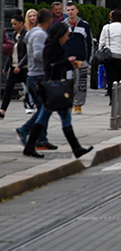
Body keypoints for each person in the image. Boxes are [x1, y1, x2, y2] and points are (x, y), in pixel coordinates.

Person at [22, 22, 93, 159]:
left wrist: (70, 65)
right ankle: (76, 148)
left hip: (55, 86)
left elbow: (58, 66)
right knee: (60, 117)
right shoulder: (50, 47)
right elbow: (50, 67)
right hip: (53, 87)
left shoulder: (57, 46)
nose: (67, 38)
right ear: (59, 34)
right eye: (66, 35)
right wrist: (67, 62)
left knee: (46, 117)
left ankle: (30, 146)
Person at [15, 8, 58, 151]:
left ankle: (41, 139)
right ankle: (24, 130)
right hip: (38, 75)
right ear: (49, 20)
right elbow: (39, 54)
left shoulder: (32, 33)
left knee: (43, 108)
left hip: (34, 75)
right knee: (45, 109)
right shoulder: (39, 34)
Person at [98, 9, 121, 105]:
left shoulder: (106, 28)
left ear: (112, 18)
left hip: (109, 57)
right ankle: (120, 97)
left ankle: (112, 99)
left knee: (110, 77)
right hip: (120, 56)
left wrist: (100, 54)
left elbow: (101, 42)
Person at [63, 2, 93, 114]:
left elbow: (89, 43)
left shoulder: (84, 25)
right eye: (68, 10)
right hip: (67, 61)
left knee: (81, 83)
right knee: (68, 83)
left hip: (81, 60)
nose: (70, 12)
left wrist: (88, 59)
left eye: (72, 9)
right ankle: (68, 104)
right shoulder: (63, 25)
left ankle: (78, 105)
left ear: (77, 11)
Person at [1, 14, 28, 118]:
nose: (13, 26)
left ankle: (36, 107)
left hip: (24, 68)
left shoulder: (26, 35)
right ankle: (2, 110)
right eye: (12, 24)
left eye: (15, 24)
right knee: (8, 89)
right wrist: (6, 67)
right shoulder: (14, 34)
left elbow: (28, 53)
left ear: (21, 23)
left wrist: (20, 66)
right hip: (13, 66)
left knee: (32, 90)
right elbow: (12, 52)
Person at [21, 9, 38, 113]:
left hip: (35, 61)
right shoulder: (25, 30)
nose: (32, 18)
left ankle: (33, 102)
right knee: (26, 84)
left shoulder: (39, 29)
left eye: (34, 16)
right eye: (30, 16)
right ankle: (28, 103)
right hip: (26, 61)